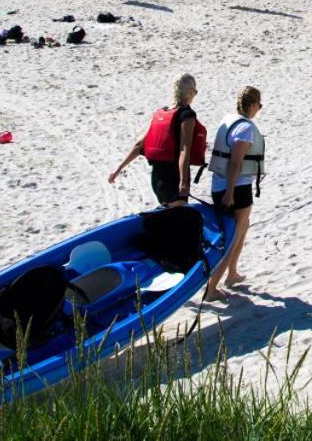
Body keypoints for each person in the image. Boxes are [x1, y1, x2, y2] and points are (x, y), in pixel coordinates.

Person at [204, 86, 266, 301]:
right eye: (259, 105)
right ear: (253, 105)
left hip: (220, 185)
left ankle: (232, 273)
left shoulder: (228, 121)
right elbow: (235, 163)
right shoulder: (245, 129)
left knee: (243, 227)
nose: (259, 109)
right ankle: (212, 288)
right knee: (234, 234)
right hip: (235, 188)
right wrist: (230, 192)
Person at [109, 74, 204, 209]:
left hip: (157, 180)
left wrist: (118, 169)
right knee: (178, 224)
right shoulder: (187, 115)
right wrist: (183, 183)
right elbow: (184, 150)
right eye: (195, 91)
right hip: (173, 179)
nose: (195, 95)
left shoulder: (161, 114)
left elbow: (139, 144)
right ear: (189, 93)